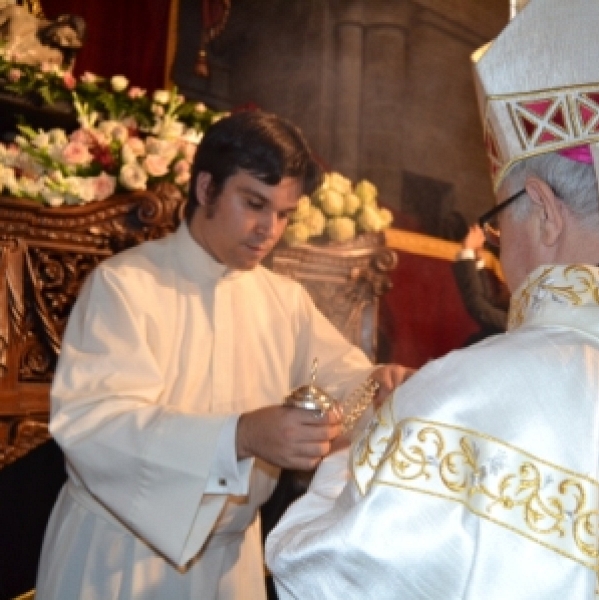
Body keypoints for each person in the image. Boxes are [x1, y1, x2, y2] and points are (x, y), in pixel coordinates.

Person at [266, 1, 599, 598]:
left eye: (499, 223)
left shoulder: (463, 400)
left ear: (545, 212)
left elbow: (320, 574)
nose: (501, 249)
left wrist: (366, 446)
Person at [34, 110, 409, 600]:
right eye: (254, 204)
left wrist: (379, 386)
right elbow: (93, 426)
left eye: (284, 214)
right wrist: (242, 435)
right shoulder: (125, 285)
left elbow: (342, 377)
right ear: (206, 188)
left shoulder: (285, 301)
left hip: (231, 567)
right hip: (121, 560)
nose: (268, 230)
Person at [451, 223, 509, 344]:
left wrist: (467, 250)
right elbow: (487, 302)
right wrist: (477, 259)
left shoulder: (516, 322)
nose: (503, 284)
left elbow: (479, 306)